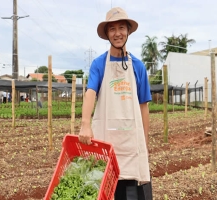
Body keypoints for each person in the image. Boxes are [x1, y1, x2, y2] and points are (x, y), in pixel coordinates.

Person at [78, 7, 152, 200]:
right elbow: (90, 92)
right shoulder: (99, 64)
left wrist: (144, 141)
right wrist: (85, 124)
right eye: (112, 29)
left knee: (132, 192)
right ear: (107, 34)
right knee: (107, 190)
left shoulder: (138, 66)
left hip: (130, 144)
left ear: (128, 31)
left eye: (121, 27)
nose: (117, 33)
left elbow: (144, 106)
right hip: (107, 142)